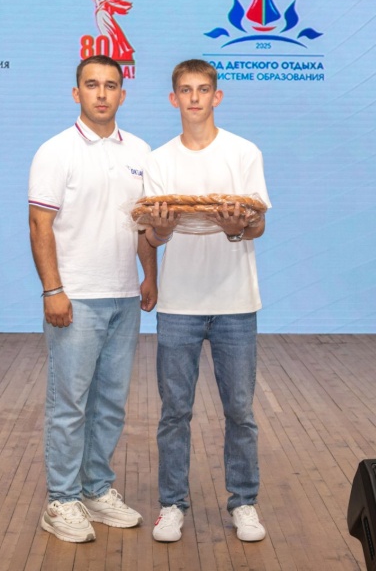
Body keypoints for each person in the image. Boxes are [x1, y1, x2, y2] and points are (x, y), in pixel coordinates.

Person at [28, 54, 157, 543]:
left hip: (124, 298)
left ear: (123, 94)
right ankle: (61, 500)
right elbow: (40, 224)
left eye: (110, 85)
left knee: (111, 405)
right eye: (91, 84)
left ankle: (95, 489)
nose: (101, 93)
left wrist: (149, 276)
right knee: (69, 405)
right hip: (76, 299)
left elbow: (144, 224)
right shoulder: (55, 151)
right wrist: (53, 290)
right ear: (76, 92)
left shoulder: (141, 151)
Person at [141, 59, 271, 543]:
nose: (194, 98)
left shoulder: (244, 152)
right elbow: (152, 234)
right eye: (185, 90)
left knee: (240, 411)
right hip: (179, 304)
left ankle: (244, 503)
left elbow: (258, 223)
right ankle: (171, 505)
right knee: (174, 411)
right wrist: (160, 229)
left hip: (236, 301)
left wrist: (238, 227)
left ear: (217, 96)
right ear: (173, 98)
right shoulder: (158, 160)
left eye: (202, 89)